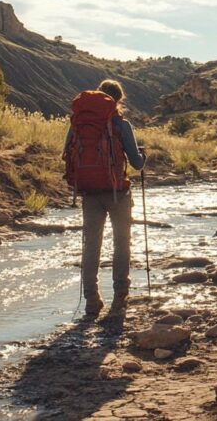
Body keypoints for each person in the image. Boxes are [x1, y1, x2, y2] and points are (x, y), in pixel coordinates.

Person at [63, 79, 146, 318]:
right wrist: (143, 156)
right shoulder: (122, 125)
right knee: (121, 243)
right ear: (118, 101)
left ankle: (91, 300)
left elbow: (67, 152)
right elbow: (137, 164)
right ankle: (120, 296)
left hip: (89, 193)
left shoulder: (78, 124)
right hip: (117, 193)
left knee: (91, 246)